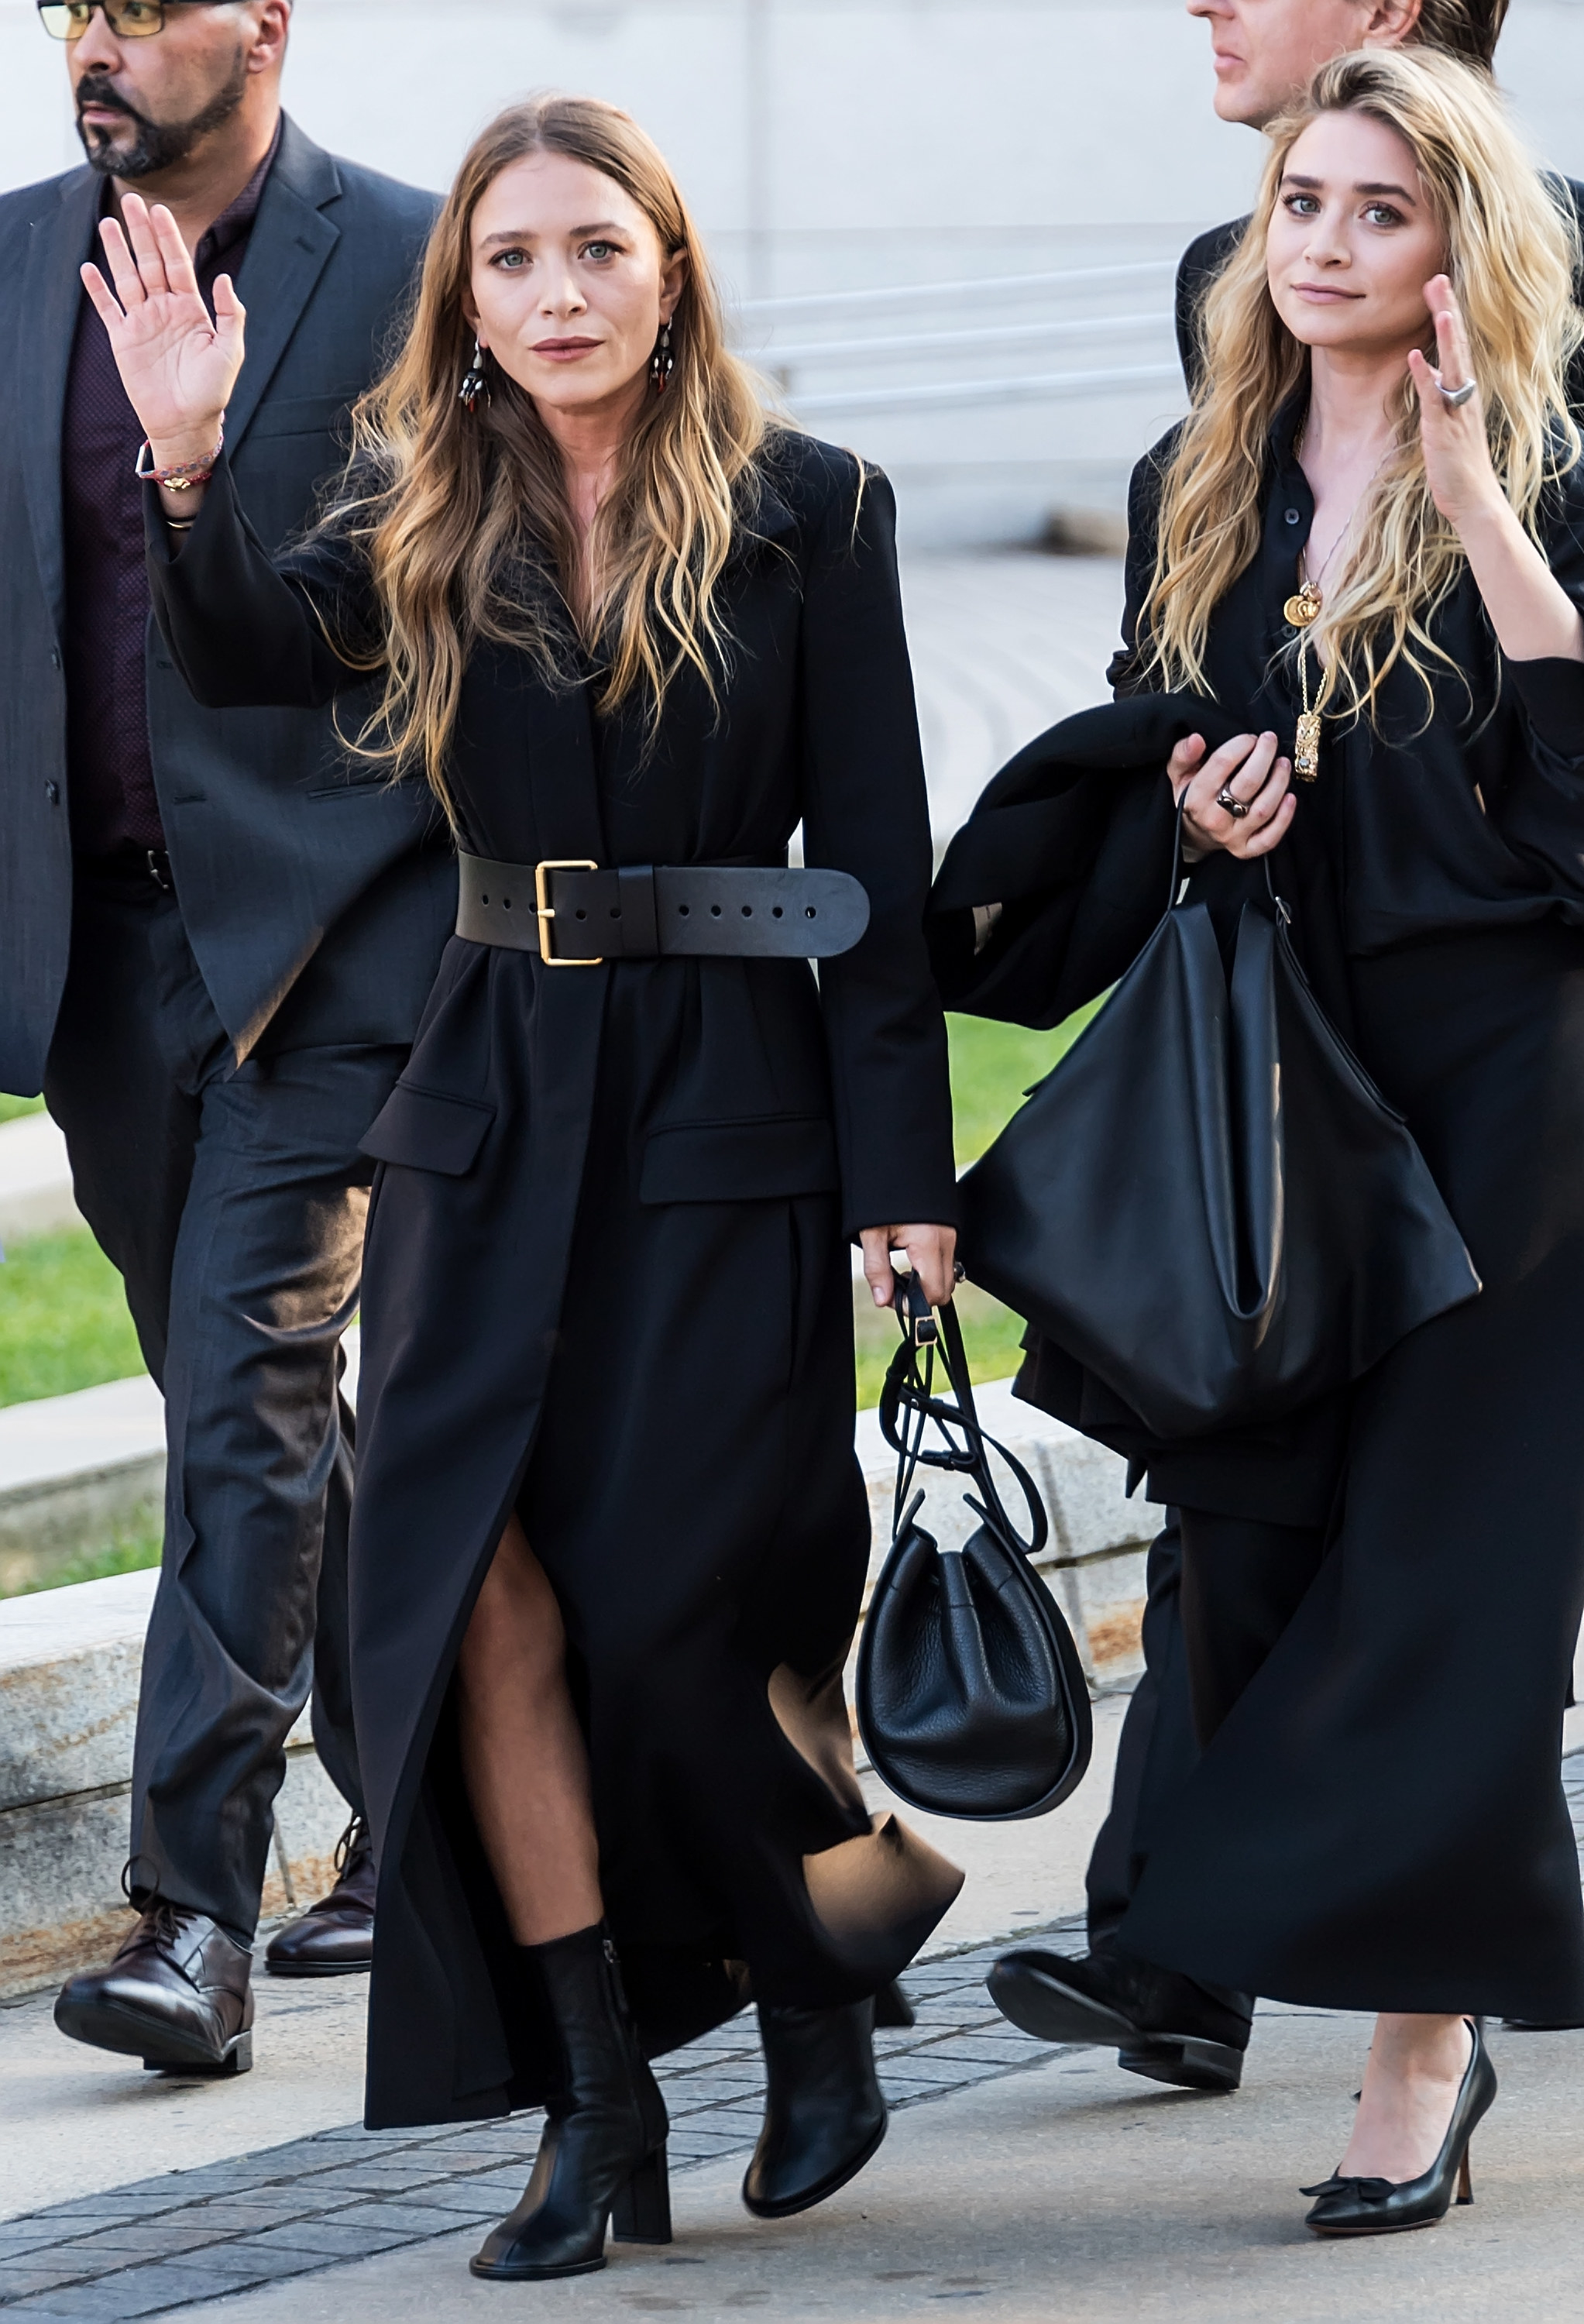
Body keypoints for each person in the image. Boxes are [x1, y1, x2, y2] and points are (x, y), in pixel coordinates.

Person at [85, 91, 965, 2279]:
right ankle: (594, 2103)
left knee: (704, 1619)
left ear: (669, 272)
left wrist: (907, 1189)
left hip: (728, 1104)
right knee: (473, 1589)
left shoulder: (807, 512)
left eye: (595, 250)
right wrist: (185, 459)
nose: (553, 294)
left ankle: (833, 1963)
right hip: (485, 1103)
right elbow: (239, 653)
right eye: (509, 260)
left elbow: (872, 878)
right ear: (462, 301)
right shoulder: (416, 499)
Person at [993, 0, 1584, 2086]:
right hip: (1291, 1023)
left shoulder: (1567, 371)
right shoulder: (1213, 385)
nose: (1322, 240)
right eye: (1303, 210)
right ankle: (1175, 1948)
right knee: (1244, 1465)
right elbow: (1167, 688)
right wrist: (1190, 798)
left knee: (1551, 1489)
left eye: (1374, 210)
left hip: (1523, 1022)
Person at [0, 0, 448, 2075]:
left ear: (263, 21)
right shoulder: (11, 263)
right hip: (92, 952)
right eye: (67, 10)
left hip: (332, 927)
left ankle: (194, 1919)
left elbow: (418, 606)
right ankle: (430, 1824)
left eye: (135, 8)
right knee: (241, 1399)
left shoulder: (414, 259)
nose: (93, 47)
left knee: (251, 1382)